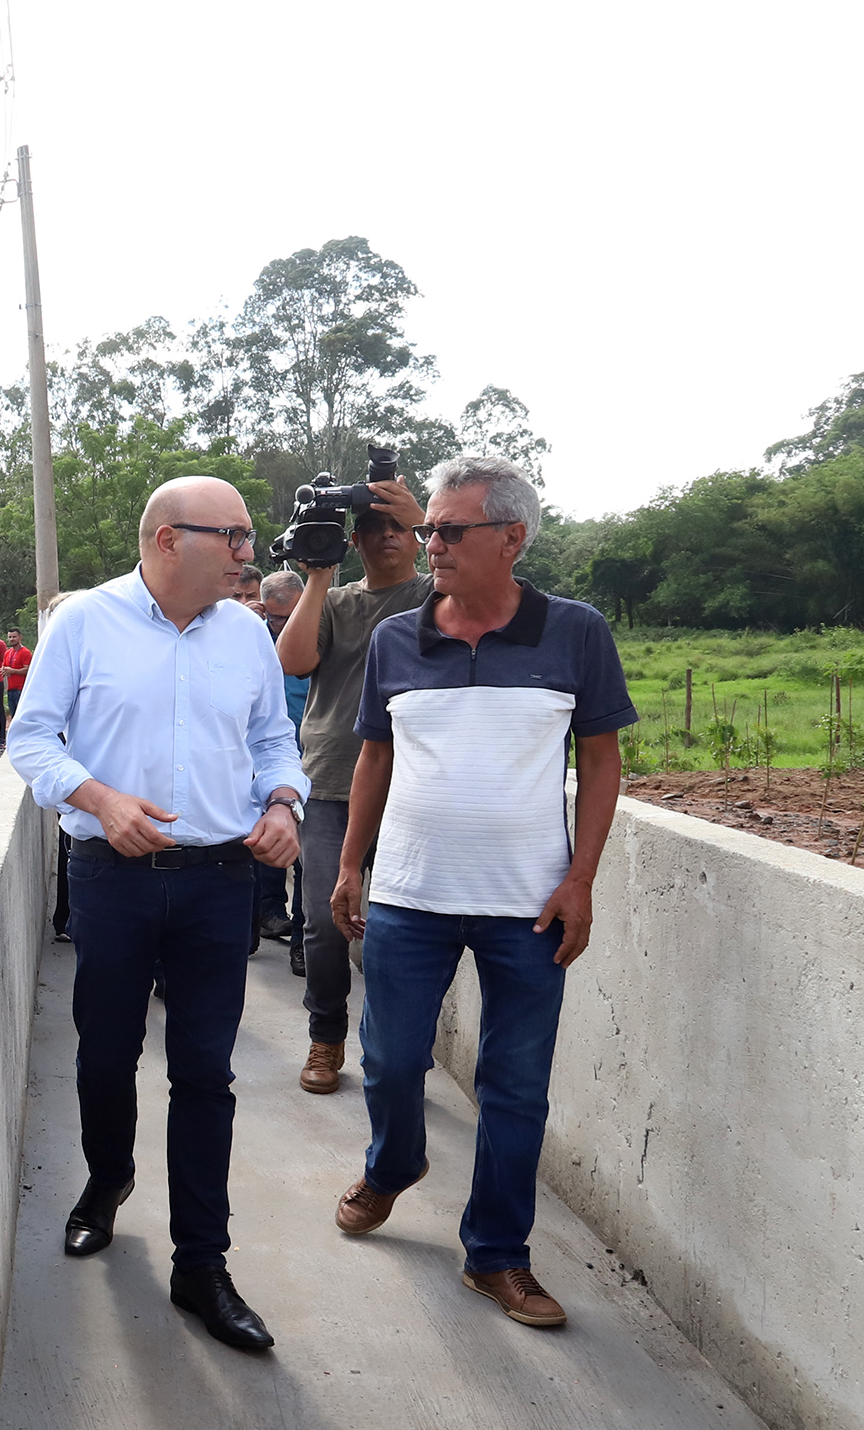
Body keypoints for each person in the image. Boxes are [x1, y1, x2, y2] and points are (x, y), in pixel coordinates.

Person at [328, 458, 635, 1331]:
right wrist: (353, 867)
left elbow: (603, 758)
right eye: (428, 529)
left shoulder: (574, 633)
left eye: (450, 531)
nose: (431, 546)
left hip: (528, 906)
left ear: (512, 537)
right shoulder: (396, 638)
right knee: (389, 1062)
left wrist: (582, 878)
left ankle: (497, 1255)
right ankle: (393, 1166)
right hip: (410, 899)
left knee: (515, 1089)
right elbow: (375, 757)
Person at [4, 476, 305, 1355]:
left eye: (251, 539)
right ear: (170, 540)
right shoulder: (85, 623)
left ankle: (200, 1265)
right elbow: (32, 739)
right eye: (237, 538)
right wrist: (99, 799)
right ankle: (107, 1181)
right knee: (106, 1052)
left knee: (206, 1075)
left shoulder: (248, 634)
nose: (251, 554)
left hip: (220, 880)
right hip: (113, 877)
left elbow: (271, 738)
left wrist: (284, 801)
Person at [275, 469, 430, 1095]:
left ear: (419, 538)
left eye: (399, 528)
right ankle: (326, 1034)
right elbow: (292, 660)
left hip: (413, 786)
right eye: (371, 528)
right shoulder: (336, 603)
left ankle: (395, 1051)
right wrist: (318, 573)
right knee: (321, 921)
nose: (386, 537)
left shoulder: (433, 597)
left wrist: (424, 516)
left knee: (405, 928)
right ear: (355, 541)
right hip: (331, 781)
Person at [252, 570, 311, 944]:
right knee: (267, 839)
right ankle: (269, 912)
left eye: (291, 617)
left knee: (310, 854)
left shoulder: (316, 636)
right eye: (275, 618)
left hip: (313, 755)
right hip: (265, 760)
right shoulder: (252, 639)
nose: (282, 625)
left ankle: (303, 936)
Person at [0, 628, 30, 728]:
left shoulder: (25, 652)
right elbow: (4, 667)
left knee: (22, 716)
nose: (12, 639)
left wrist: (12, 670)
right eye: (10, 637)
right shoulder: (7, 653)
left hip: (21, 688)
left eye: (14, 637)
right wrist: (3, 671)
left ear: (20, 637)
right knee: (14, 715)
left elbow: (27, 670)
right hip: (10, 688)